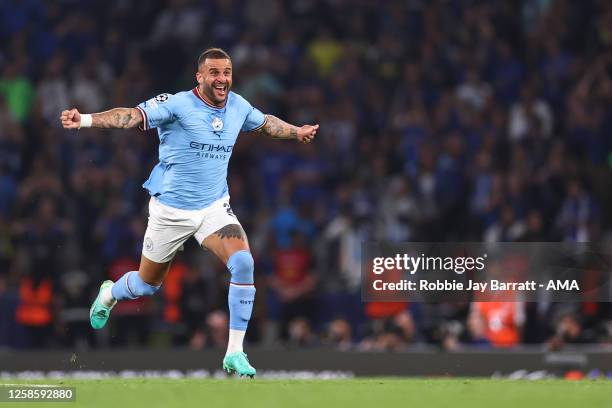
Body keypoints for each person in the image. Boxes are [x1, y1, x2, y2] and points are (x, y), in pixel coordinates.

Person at [59, 48, 319, 377]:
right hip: (170, 210)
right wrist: (84, 120)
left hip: (213, 209)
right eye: (214, 72)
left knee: (243, 262)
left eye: (226, 72)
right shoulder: (178, 104)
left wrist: (297, 132)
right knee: (145, 285)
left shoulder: (238, 105)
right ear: (200, 77)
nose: (222, 78)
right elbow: (131, 116)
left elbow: (265, 123)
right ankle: (110, 292)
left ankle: (234, 353)